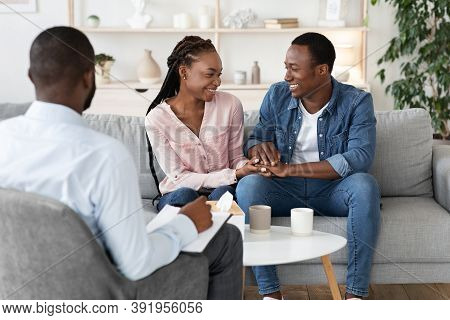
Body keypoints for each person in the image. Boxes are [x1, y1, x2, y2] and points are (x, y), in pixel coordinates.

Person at [0, 26, 242, 299]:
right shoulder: (105, 156)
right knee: (227, 240)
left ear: (31, 77)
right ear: (89, 78)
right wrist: (185, 223)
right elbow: (136, 263)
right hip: (98, 294)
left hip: (17, 296)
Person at [236, 32, 380, 300]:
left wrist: (290, 170)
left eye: (294, 69)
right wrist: (258, 148)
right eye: (285, 67)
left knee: (364, 186)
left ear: (322, 70)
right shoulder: (277, 95)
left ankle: (356, 297)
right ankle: (270, 294)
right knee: (248, 186)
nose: (287, 76)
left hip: (331, 191)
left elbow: (360, 156)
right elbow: (258, 135)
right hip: (284, 191)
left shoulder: (357, 102)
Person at [145, 36, 259, 211]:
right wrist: (234, 175)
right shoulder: (156, 119)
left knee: (223, 193)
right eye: (209, 74)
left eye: (219, 74)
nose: (218, 81)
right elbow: (180, 177)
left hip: (223, 188)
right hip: (180, 192)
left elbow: (235, 158)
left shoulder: (231, 105)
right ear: (184, 72)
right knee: (185, 195)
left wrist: (250, 166)